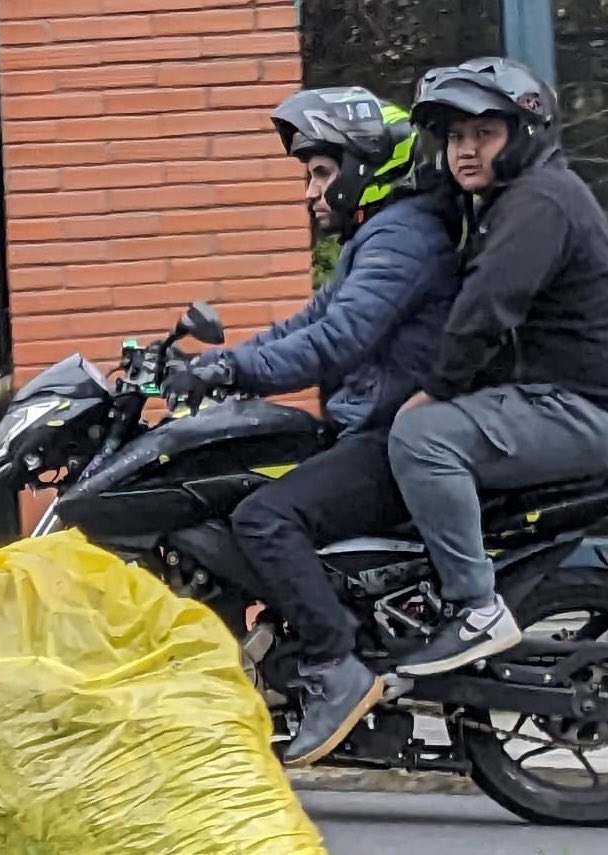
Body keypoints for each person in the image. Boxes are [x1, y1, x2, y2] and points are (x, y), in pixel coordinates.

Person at [162, 86, 461, 767]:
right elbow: (309, 322)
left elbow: (338, 339)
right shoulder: (382, 235)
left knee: (264, 518)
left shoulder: (403, 236)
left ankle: (335, 661)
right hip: (376, 426)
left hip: (392, 437)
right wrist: (216, 363)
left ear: (367, 167)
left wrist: (228, 370)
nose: (309, 192)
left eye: (322, 172)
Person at [388, 57, 608, 677]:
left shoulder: (539, 201)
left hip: (586, 410)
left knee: (421, 438)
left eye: (484, 133)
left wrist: (436, 389)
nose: (465, 149)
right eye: (455, 136)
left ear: (524, 134)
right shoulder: (512, 199)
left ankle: (475, 608)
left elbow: (487, 307)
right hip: (560, 399)